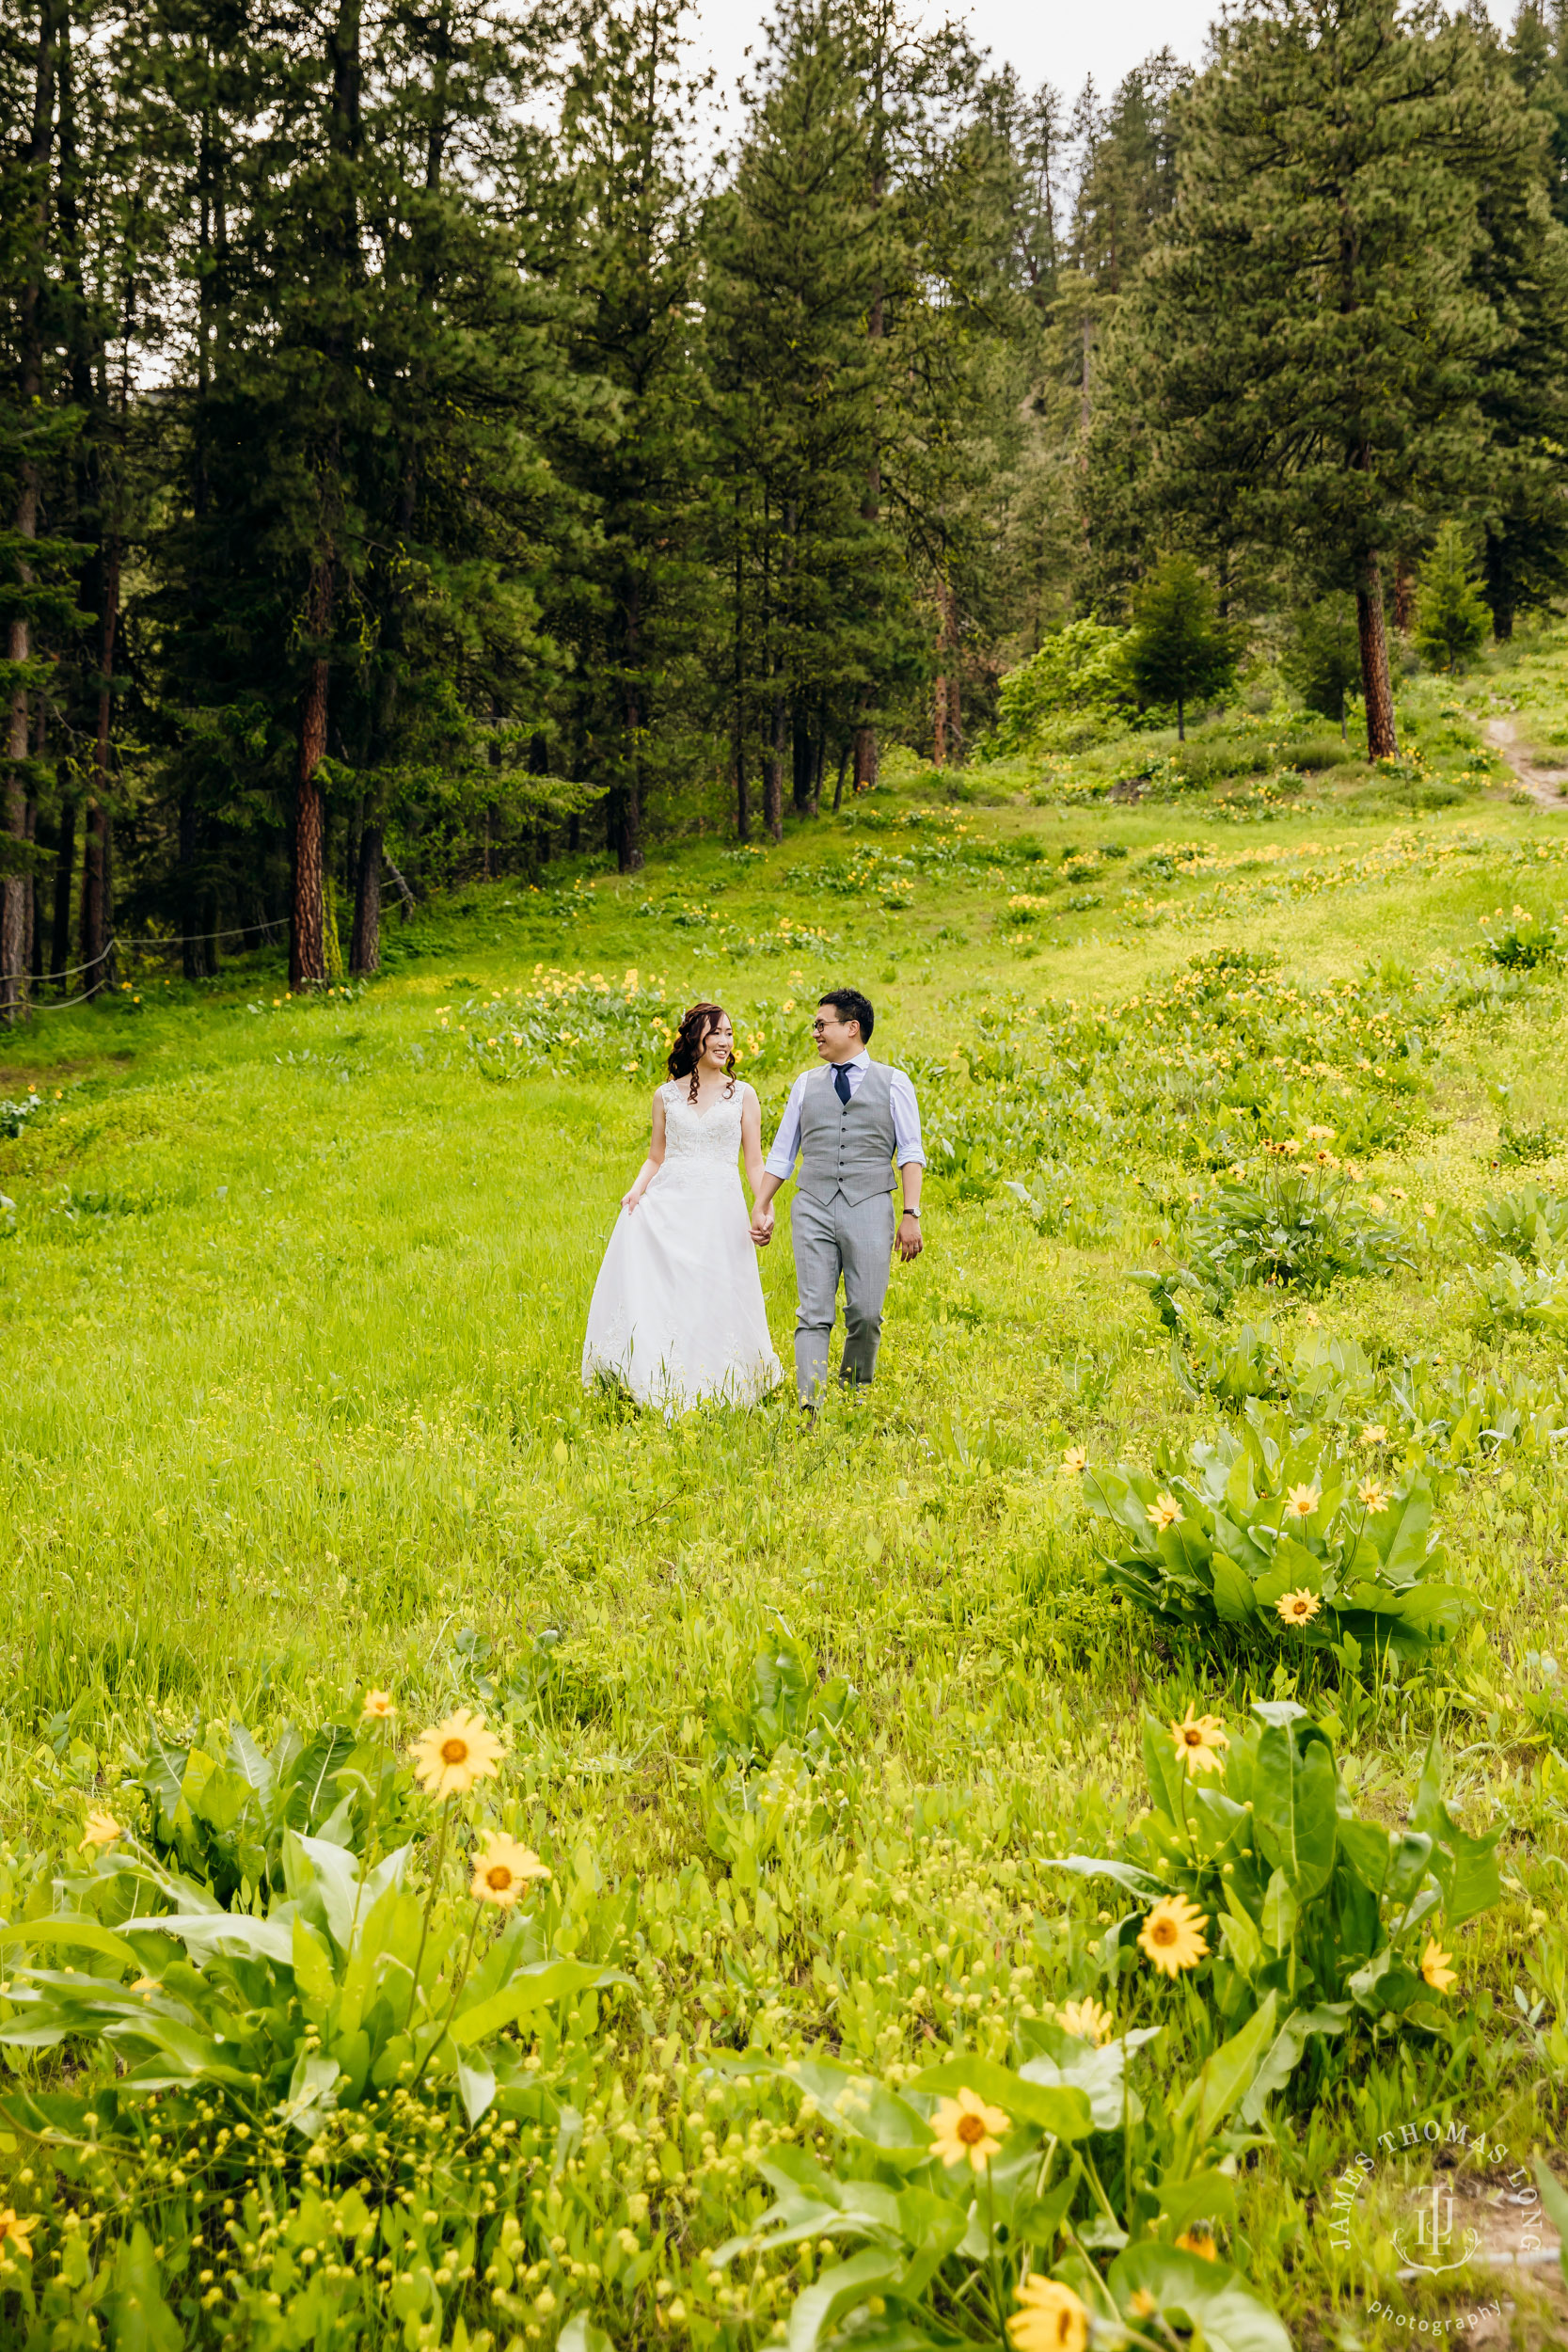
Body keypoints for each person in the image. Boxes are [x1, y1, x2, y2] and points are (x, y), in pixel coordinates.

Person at [582, 1002, 783, 1409]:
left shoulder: (743, 1095)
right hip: (672, 1203)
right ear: (695, 1039)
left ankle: (720, 1376)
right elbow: (656, 1157)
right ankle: (662, 1371)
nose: (726, 1041)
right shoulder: (665, 1096)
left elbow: (755, 1162)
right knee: (671, 1291)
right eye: (717, 1033)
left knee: (717, 1288)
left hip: (720, 1207)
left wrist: (764, 1205)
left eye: (729, 1033)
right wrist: (636, 1191)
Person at [749, 988, 924, 1407]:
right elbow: (782, 1153)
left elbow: (911, 1152)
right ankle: (810, 1405)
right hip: (814, 1206)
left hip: (870, 1205)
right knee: (813, 1313)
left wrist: (911, 1213)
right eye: (815, 1025)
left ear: (852, 1028)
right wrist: (762, 1202)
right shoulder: (805, 1086)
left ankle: (853, 1393)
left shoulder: (894, 1082)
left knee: (865, 1312)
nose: (816, 1033)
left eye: (821, 1024)